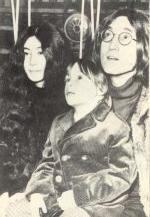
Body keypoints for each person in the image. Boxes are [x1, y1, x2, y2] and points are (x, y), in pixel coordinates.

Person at [5, 58, 137, 217]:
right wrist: (37, 192)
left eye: (79, 78)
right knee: (12, 211)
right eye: (67, 79)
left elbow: (122, 175)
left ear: (100, 88)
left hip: (97, 205)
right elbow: (47, 163)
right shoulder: (59, 123)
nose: (70, 83)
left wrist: (79, 196)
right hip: (56, 198)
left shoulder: (115, 127)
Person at [0, 21, 72, 195]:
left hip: (51, 193)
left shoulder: (69, 102)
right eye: (26, 54)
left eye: (40, 53)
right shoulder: (10, 97)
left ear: (55, 55)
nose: (31, 62)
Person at [91, 8, 149, 216]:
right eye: (107, 35)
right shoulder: (85, 99)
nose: (112, 45)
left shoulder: (146, 108)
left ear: (143, 47)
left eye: (125, 37)